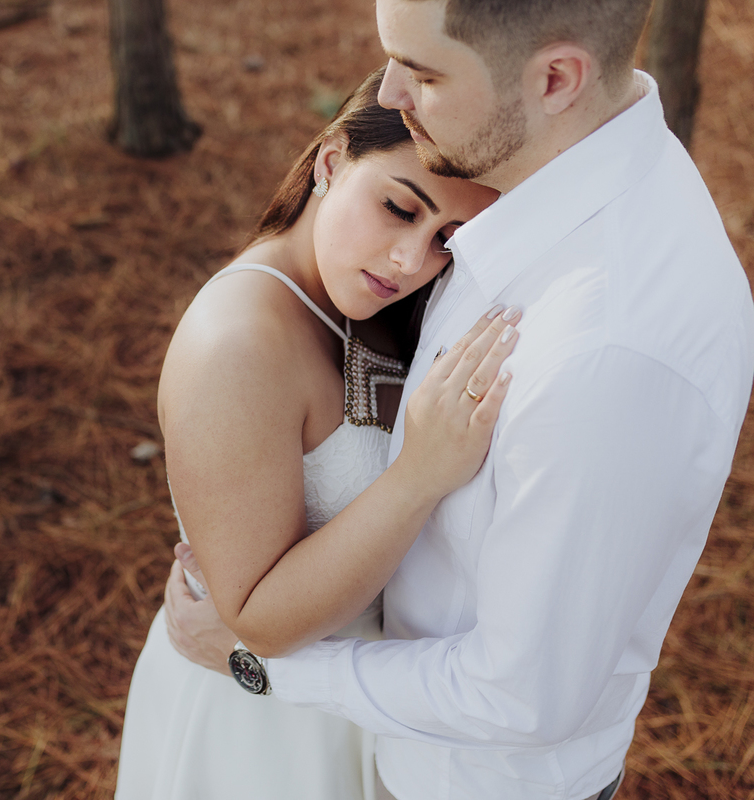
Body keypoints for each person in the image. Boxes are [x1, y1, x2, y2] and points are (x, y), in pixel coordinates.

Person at [163, 1, 754, 799]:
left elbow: (522, 695)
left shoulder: (607, 345)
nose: (390, 92)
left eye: (427, 72)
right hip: (323, 744)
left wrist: (268, 669)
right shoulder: (519, 189)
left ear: (555, 79)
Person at [115, 67, 507, 800]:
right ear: (331, 161)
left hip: (372, 704)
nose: (410, 261)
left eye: (447, 239)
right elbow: (257, 619)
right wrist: (419, 476)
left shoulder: (370, 301)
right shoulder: (235, 345)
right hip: (258, 741)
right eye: (398, 208)